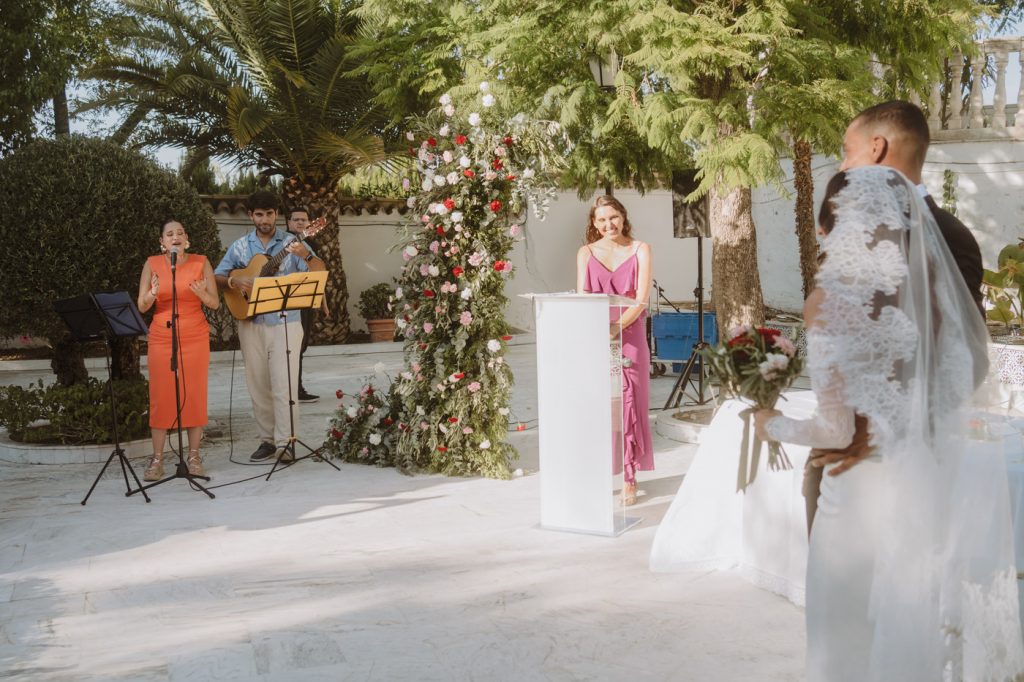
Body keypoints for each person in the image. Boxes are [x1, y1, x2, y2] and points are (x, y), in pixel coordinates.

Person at [754, 166, 1023, 680]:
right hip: (918, 488)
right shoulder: (931, 298)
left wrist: (770, 423)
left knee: (842, 641)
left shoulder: (828, 302)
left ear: (833, 227)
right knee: (904, 634)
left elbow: (834, 431)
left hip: (854, 497)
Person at [802, 100, 986, 533]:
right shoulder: (856, 230)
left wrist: (876, 425)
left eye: (847, 151)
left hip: (902, 459)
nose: (843, 165)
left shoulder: (948, 235)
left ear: (877, 148)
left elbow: (969, 354)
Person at [214, 191, 326, 462]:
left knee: (284, 384)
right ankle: (267, 440)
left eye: (269, 214)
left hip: (286, 322)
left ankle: (286, 442)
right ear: (251, 215)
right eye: (259, 214)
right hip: (250, 322)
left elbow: (320, 272)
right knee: (258, 385)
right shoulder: (240, 246)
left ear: (277, 215)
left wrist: (306, 255)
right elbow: (217, 276)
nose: (264, 219)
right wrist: (235, 282)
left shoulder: (292, 242)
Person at [575, 195, 654, 506]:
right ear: (594, 224)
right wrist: (596, 332)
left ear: (623, 217)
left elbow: (641, 299)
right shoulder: (585, 253)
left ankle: (629, 478)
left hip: (630, 335)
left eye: (614, 217)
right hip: (595, 336)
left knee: (630, 406)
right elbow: (583, 298)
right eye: (602, 220)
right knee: (599, 406)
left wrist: (615, 328)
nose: (609, 224)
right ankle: (596, 473)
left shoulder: (640, 249)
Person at [138, 220, 220, 480]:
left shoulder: (201, 262)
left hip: (195, 335)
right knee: (161, 396)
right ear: (162, 242)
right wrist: (152, 293)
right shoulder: (152, 264)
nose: (176, 236)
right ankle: (157, 459)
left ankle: (194, 455)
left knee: (194, 394)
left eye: (180, 233)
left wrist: (202, 294)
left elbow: (215, 303)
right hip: (162, 337)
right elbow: (141, 306)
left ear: (187, 239)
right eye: (170, 233)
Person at [285, 206, 319, 403]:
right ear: (288, 222)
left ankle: (296, 388)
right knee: (293, 347)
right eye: (295, 219)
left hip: (305, 300)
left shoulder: (308, 244)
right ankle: (294, 390)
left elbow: (318, 273)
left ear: (309, 224)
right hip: (288, 301)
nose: (299, 222)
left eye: (303, 220)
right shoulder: (283, 242)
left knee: (301, 346)